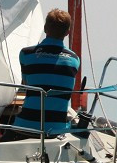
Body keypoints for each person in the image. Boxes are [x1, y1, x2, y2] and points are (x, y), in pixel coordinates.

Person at [9, 8, 80, 138]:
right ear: (67, 32)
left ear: (45, 28)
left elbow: (26, 84)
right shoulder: (75, 59)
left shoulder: (26, 54)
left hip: (26, 126)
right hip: (56, 130)